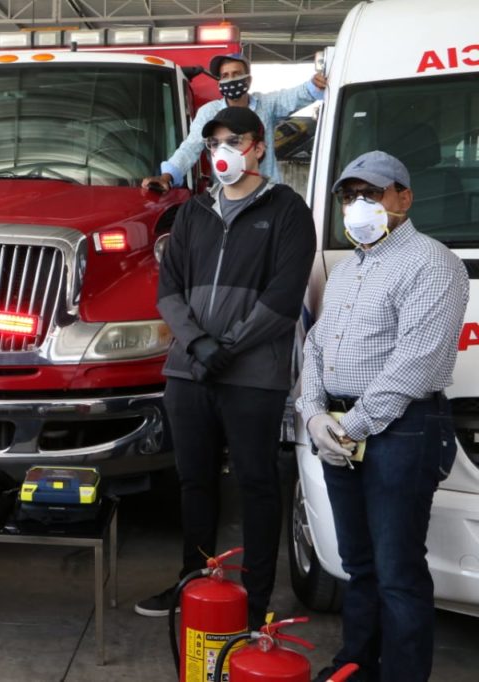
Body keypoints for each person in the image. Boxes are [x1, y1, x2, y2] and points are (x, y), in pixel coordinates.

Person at [136, 107, 316, 627]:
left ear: (258, 146)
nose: (222, 150)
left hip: (252, 376)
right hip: (189, 374)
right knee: (193, 481)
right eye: (213, 140)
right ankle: (193, 583)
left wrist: (229, 347)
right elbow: (168, 291)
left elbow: (283, 297)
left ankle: (255, 599)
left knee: (258, 484)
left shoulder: (286, 210)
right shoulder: (193, 212)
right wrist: (198, 345)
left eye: (233, 139)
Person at [296, 151, 468, 682]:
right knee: (359, 566)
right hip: (342, 431)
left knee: (397, 571)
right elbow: (317, 349)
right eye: (350, 197)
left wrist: (352, 424)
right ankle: (356, 663)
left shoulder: (432, 263)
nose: (359, 206)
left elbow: (415, 362)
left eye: (371, 194)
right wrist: (314, 414)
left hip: (403, 431)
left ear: (403, 197)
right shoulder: (349, 270)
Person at [142, 52, 326, 191]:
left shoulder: (266, 105)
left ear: (248, 80)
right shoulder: (210, 112)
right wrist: (167, 177)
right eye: (225, 76)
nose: (230, 80)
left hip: (266, 193)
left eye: (236, 74)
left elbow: (294, 96)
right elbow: (190, 147)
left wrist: (314, 85)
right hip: (227, 194)